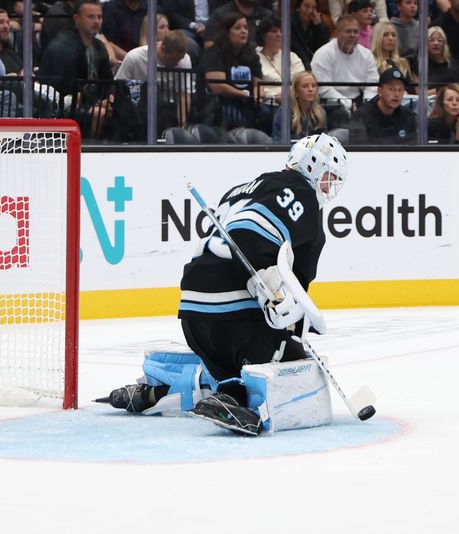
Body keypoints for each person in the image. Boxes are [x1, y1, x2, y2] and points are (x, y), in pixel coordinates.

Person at [104, 133, 349, 436]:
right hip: (233, 321)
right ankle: (224, 397)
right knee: (298, 362)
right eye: (328, 177)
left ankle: (168, 391)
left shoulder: (241, 189)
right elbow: (246, 234)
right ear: (312, 166)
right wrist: (273, 290)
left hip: (194, 318)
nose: (328, 187)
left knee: (233, 374)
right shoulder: (301, 194)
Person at [38, 0, 114, 135]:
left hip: (91, 101)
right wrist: (95, 102)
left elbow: (108, 81)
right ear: (76, 19)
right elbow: (65, 86)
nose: (96, 21)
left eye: (99, 17)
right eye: (91, 17)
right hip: (63, 104)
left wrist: (109, 98)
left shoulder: (99, 46)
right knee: (99, 114)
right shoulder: (64, 45)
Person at [197, 13, 262, 130]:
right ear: (226, 32)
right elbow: (217, 87)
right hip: (221, 103)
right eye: (238, 28)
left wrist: (258, 95)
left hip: (246, 103)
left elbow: (258, 83)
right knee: (237, 118)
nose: (243, 31)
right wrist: (243, 94)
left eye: (245, 27)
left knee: (267, 113)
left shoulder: (251, 54)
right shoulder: (214, 54)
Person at [310, 14, 378, 119]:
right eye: (348, 31)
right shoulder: (323, 53)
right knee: (339, 113)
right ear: (337, 33)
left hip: (360, 100)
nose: (352, 35)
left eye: (356, 32)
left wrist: (367, 105)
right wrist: (348, 104)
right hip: (331, 103)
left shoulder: (366, 54)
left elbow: (372, 85)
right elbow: (324, 89)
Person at [347, 66, 416, 144]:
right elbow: (359, 150)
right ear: (379, 91)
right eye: (391, 89)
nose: (397, 94)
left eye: (400, 90)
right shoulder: (362, 116)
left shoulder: (408, 116)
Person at [256, 14, 305, 102]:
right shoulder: (254, 58)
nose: (279, 34)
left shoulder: (292, 57)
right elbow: (256, 87)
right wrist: (274, 96)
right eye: (274, 31)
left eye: (281, 31)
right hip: (267, 103)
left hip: (293, 101)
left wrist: (287, 94)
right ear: (263, 35)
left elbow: (301, 80)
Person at [271, 70, 327, 142]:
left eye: (313, 86)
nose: (310, 89)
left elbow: (324, 143)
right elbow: (278, 143)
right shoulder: (284, 113)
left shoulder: (320, 113)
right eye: (305, 86)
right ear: (296, 91)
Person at [202, 0, 272, 49]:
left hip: (265, 62)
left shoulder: (268, 16)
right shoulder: (220, 15)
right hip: (231, 62)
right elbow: (209, 45)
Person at [417, 26, 459, 96]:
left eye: (440, 40)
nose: (436, 43)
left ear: (444, 44)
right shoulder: (418, 64)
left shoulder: (455, 65)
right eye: (431, 40)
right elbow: (420, 93)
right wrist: (443, 89)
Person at [290, 0, 329, 71]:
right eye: (307, 6)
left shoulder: (320, 25)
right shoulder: (289, 24)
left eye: (314, 8)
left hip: (316, 64)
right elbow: (298, 49)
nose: (310, 11)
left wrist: (318, 26)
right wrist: (309, 69)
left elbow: (324, 48)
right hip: (295, 64)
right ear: (298, 7)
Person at [370, 21, 412, 87]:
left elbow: (410, 89)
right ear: (377, 38)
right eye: (385, 35)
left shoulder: (403, 63)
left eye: (393, 35)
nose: (391, 38)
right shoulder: (371, 62)